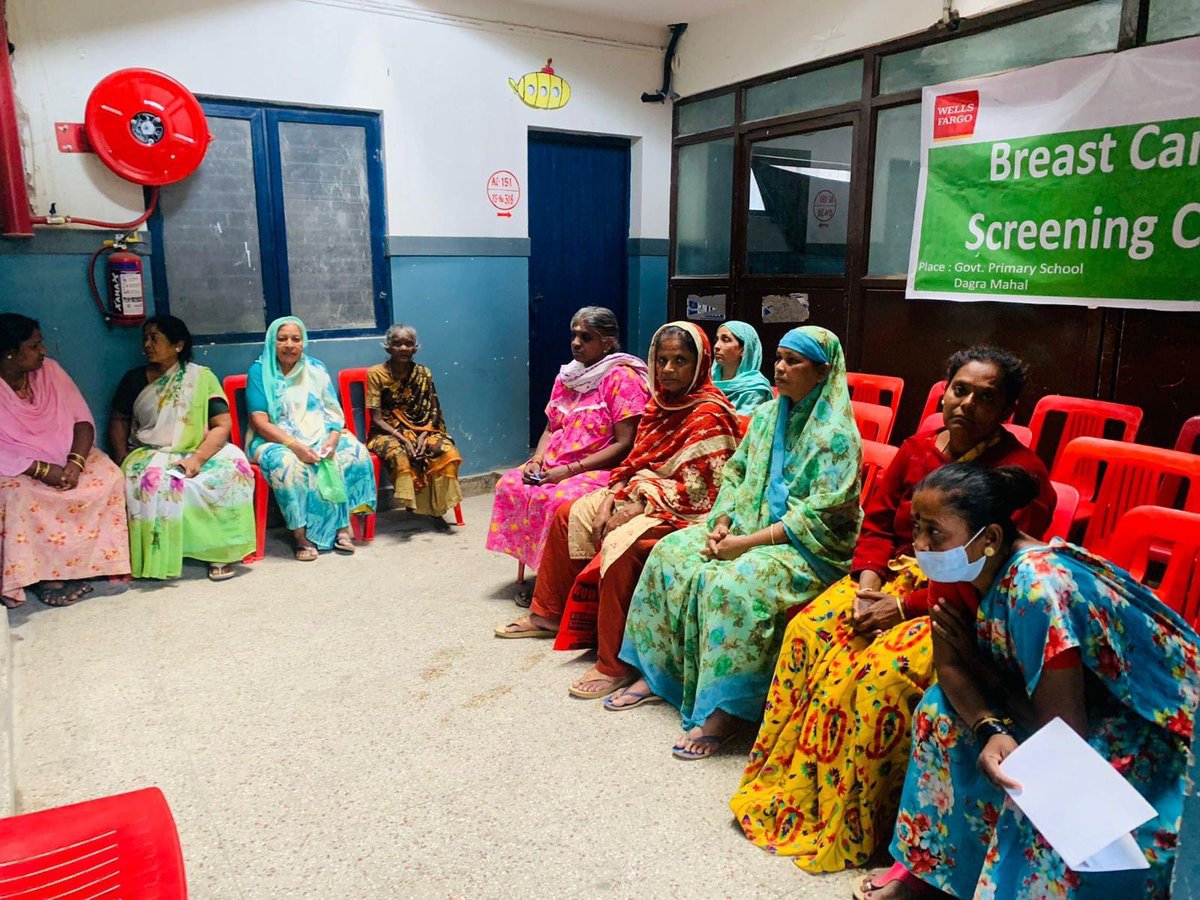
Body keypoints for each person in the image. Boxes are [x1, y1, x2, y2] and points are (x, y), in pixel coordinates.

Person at [732, 346, 1056, 873]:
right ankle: (797, 788)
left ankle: (862, 824)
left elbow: (997, 570)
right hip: (886, 578)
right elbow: (879, 523)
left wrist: (901, 607)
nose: (967, 404)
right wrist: (866, 587)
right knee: (808, 631)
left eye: (985, 397)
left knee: (877, 675)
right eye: (960, 390)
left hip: (961, 599)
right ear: (944, 390)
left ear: (1008, 410)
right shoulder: (918, 448)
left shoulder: (1020, 475)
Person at [858, 464, 1199, 900]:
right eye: (917, 528)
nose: (920, 545)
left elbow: (1063, 738)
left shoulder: (1036, 588)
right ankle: (939, 875)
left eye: (934, 532)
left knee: (1039, 803)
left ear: (991, 538)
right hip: (1046, 710)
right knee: (939, 712)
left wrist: (990, 697)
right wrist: (990, 727)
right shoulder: (953, 565)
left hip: (1140, 729)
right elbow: (951, 666)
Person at [616, 326, 863, 760]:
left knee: (734, 585)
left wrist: (744, 544)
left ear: (823, 372)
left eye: (794, 362)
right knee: (670, 554)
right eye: (779, 358)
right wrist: (723, 523)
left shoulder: (836, 436)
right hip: (746, 526)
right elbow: (735, 472)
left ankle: (728, 710)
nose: (781, 369)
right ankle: (659, 675)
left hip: (809, 548)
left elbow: (818, 513)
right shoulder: (768, 416)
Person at [494, 322, 741, 700]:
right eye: (662, 360)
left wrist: (639, 503)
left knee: (623, 548)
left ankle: (615, 663)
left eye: (681, 360)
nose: (669, 369)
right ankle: (548, 613)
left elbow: (703, 488)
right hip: (642, 490)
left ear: (700, 365)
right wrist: (614, 494)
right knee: (569, 515)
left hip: (686, 509)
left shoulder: (709, 411)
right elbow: (634, 460)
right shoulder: (660, 403)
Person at [486, 307, 649, 597]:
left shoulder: (623, 378)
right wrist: (536, 460)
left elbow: (625, 444)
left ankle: (554, 586)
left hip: (598, 468)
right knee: (511, 484)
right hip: (555, 462)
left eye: (586, 337)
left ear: (608, 342)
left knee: (555, 500)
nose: (575, 343)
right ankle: (541, 571)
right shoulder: (567, 377)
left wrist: (569, 471)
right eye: (574, 335)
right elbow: (551, 428)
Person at [109, 316, 256, 582]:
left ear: (178, 345)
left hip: (197, 449)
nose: (147, 344)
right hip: (150, 451)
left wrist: (197, 458)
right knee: (158, 484)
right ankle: (166, 552)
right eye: (145, 338)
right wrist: (120, 458)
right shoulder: (133, 380)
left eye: (155, 338)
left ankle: (220, 551)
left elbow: (222, 424)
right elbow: (119, 420)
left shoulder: (201, 377)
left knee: (235, 468)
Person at [0, 313, 130, 607]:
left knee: (109, 478)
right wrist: (43, 470)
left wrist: (75, 463)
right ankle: (44, 577)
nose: (43, 351)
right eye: (34, 346)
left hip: (67, 456)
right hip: (16, 468)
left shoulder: (50, 371)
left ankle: (95, 566)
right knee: (14, 495)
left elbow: (82, 420)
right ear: (9, 352)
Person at [245, 316, 376, 560]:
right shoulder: (259, 372)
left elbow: (333, 412)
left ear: (303, 342)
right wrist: (296, 446)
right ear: (272, 343)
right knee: (290, 466)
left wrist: (334, 438)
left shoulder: (316, 369)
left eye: (296, 339)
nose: (289, 345)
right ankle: (301, 535)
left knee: (353, 454)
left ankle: (341, 526)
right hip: (275, 440)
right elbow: (260, 422)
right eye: (282, 339)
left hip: (321, 432)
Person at [365, 324, 462, 519]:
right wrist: (404, 439)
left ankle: (437, 509)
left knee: (446, 450)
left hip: (423, 430)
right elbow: (377, 418)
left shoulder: (423, 373)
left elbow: (432, 412)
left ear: (415, 348)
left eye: (408, 344)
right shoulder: (376, 374)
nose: (403, 349)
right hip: (386, 432)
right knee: (400, 454)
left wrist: (423, 435)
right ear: (387, 347)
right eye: (397, 344)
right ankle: (414, 505)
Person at [712, 321, 773, 414]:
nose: (716, 346)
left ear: (744, 349)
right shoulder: (706, 381)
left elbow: (743, 426)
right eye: (717, 340)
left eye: (725, 340)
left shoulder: (754, 389)